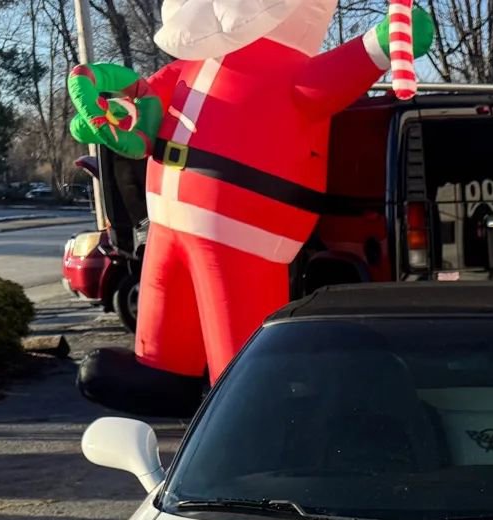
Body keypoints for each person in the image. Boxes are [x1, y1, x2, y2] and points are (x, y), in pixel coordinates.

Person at [69, 0, 437, 386]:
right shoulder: (187, 66)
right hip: (167, 221)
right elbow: (145, 107)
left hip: (240, 233)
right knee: (166, 291)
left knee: (235, 319)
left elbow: (332, 78)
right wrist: (109, 115)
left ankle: (246, 393)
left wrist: (382, 41)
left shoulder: (291, 71)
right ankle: (165, 367)